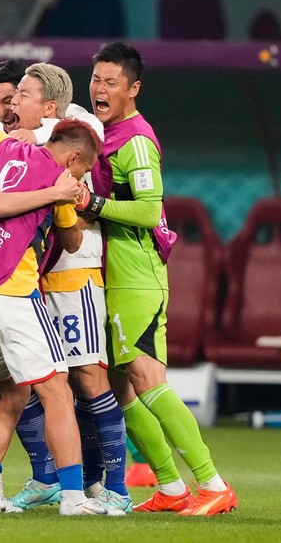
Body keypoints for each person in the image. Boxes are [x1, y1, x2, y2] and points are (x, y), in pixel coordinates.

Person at [81, 41, 237, 516]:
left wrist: (94, 206)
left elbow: (150, 210)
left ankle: (213, 483)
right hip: (112, 277)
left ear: (133, 89)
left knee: (147, 379)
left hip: (137, 278)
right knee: (122, 389)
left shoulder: (137, 140)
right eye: (96, 80)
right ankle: (170, 487)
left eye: (111, 82)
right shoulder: (99, 133)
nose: (100, 89)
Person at [0, 116, 117, 516]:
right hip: (14, 290)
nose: (82, 177)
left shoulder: (9, 149)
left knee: (13, 393)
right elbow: (72, 240)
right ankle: (72, 498)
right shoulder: (61, 182)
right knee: (59, 391)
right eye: (84, 169)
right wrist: (66, 197)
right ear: (75, 157)